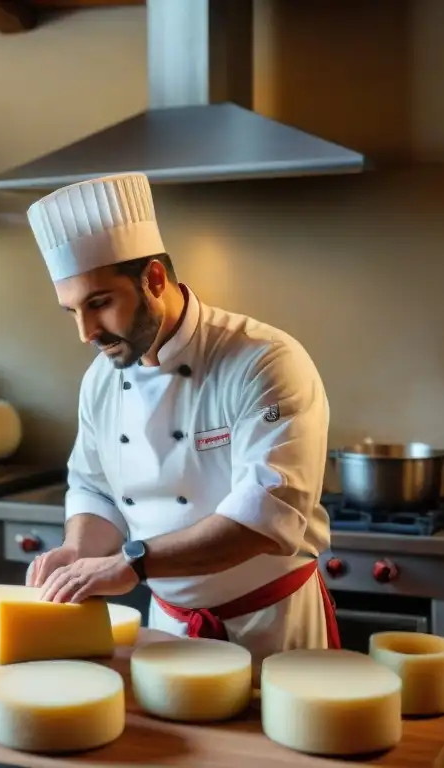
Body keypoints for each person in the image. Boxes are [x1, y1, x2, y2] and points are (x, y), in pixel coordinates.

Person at [23, 172, 339, 668]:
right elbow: (96, 488)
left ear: (152, 279)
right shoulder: (102, 379)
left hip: (270, 630)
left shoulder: (263, 361)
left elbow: (263, 517)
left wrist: (132, 563)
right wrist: (78, 552)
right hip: (167, 629)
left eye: (99, 303)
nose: (86, 332)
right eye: (72, 312)